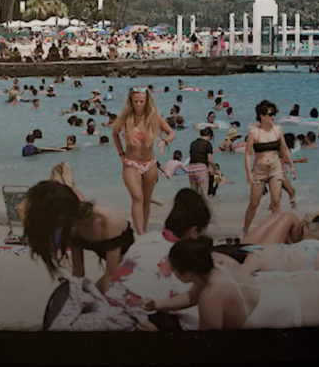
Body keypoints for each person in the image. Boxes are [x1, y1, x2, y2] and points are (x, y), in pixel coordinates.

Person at [141, 237, 319, 329]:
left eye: (173, 269)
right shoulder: (219, 263)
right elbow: (190, 296)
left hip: (292, 315)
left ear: (186, 274)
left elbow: (209, 347)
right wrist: (159, 304)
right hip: (290, 300)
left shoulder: (210, 297)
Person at [23, 181, 134, 294]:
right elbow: (78, 272)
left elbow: (111, 274)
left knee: (101, 298)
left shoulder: (107, 221)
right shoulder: (72, 224)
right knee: (84, 298)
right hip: (116, 268)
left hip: (136, 265)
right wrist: (76, 295)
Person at [112, 87, 177, 235]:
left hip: (150, 164)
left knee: (146, 201)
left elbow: (172, 133)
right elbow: (115, 134)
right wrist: (120, 153)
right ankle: (140, 234)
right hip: (131, 163)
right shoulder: (125, 118)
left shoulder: (154, 118)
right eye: (136, 101)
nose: (139, 104)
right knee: (137, 198)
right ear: (131, 102)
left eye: (142, 101)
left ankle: (144, 230)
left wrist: (164, 142)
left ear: (147, 101)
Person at [241, 100, 296, 236]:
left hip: (275, 169)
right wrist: (248, 174)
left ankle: (275, 232)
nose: (273, 117)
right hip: (259, 172)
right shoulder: (254, 133)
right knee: (254, 203)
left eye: (274, 115)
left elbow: (283, 149)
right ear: (262, 116)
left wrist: (292, 165)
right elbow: (248, 154)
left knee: (276, 201)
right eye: (270, 115)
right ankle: (245, 230)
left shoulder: (277, 130)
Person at [187, 127, 215, 199]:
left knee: (194, 196)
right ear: (209, 135)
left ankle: (191, 210)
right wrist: (216, 168)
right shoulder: (208, 144)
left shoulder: (193, 143)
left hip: (191, 169)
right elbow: (210, 160)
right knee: (204, 197)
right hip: (201, 169)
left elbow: (194, 156)